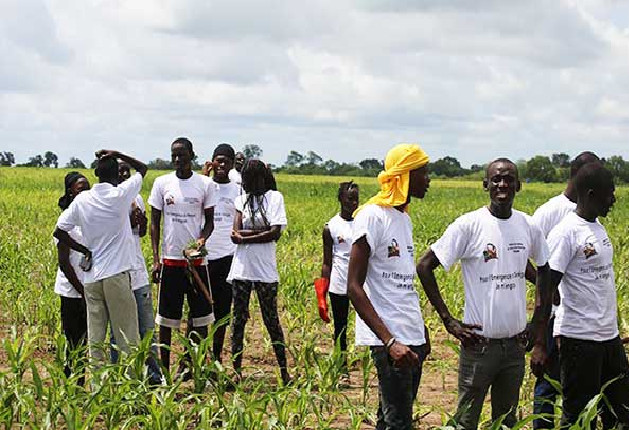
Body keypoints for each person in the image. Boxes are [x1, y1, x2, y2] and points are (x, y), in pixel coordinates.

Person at [417, 158, 550, 430]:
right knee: (466, 421)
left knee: (507, 421)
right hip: (479, 346)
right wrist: (449, 321)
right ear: (485, 184)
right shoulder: (468, 226)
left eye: (509, 179)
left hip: (515, 347)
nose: (503, 184)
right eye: (497, 179)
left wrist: (538, 323)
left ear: (518, 186)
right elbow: (424, 266)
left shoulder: (527, 226)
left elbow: (545, 270)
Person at [347, 144, 431, 430]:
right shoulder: (372, 216)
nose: (429, 179)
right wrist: (390, 341)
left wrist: (420, 329)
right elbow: (354, 287)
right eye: (424, 172)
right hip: (391, 339)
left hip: (411, 334)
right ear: (404, 176)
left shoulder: (403, 218)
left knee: (391, 420)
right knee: (399, 422)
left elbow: (402, 282)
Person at [546, 163, 629, 428]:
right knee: (579, 416)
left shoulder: (598, 229)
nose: (614, 199)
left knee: (620, 411)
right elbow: (547, 287)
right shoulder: (566, 232)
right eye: (610, 193)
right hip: (580, 340)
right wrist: (541, 339)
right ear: (591, 194)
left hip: (608, 338)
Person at [53, 150, 147, 369]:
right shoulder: (121, 194)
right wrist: (118, 153)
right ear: (116, 175)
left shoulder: (83, 199)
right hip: (116, 276)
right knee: (127, 337)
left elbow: (59, 231)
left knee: (95, 340)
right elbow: (142, 168)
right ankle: (129, 392)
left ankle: (98, 389)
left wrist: (84, 249)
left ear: (95, 173)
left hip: (92, 279)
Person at [530, 151, 600, 429]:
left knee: (577, 383)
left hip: (579, 319)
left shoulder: (591, 211)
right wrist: (547, 288)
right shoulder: (551, 211)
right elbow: (525, 253)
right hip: (552, 314)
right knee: (548, 381)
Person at [148, 137, 216, 376]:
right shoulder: (161, 183)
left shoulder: (205, 184)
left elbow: (210, 222)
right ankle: (164, 372)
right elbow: (154, 223)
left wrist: (202, 240)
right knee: (166, 321)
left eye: (182, 155)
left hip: (196, 262)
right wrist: (156, 259)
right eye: (173, 155)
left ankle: (192, 367)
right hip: (170, 262)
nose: (177, 160)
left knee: (199, 319)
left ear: (192, 155)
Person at [227, 158, 290, 385]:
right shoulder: (241, 200)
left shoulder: (275, 198)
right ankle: (236, 371)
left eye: (248, 180)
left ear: (259, 179)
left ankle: (284, 371)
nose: (245, 184)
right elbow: (235, 235)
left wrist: (246, 236)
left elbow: (275, 232)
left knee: (271, 320)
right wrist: (253, 235)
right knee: (238, 320)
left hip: (264, 270)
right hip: (242, 269)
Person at [110, 161, 162, 384]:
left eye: (126, 172)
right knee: (118, 331)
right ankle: (120, 377)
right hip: (118, 273)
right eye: (119, 172)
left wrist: (141, 221)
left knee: (147, 329)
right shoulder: (109, 200)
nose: (123, 175)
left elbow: (139, 233)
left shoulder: (136, 198)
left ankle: (153, 378)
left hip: (137, 271)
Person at [316, 181, 359, 384]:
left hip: (361, 283)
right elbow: (327, 262)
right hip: (339, 284)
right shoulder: (331, 227)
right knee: (341, 328)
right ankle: (343, 370)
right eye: (350, 198)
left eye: (356, 199)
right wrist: (321, 294)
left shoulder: (363, 223)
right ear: (340, 199)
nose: (353, 202)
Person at [201, 143, 240, 363]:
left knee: (222, 312)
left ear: (233, 164)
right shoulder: (204, 185)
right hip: (204, 256)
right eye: (218, 159)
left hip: (227, 257)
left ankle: (216, 357)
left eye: (226, 160)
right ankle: (192, 358)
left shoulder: (237, 190)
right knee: (199, 312)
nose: (221, 164)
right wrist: (204, 177)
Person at [55, 172, 90, 385]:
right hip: (71, 290)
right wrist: (81, 290)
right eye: (80, 189)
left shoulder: (90, 217)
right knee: (73, 340)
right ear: (71, 192)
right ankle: (72, 384)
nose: (86, 192)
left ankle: (79, 382)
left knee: (86, 340)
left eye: (88, 187)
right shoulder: (67, 218)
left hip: (88, 288)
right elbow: (64, 263)